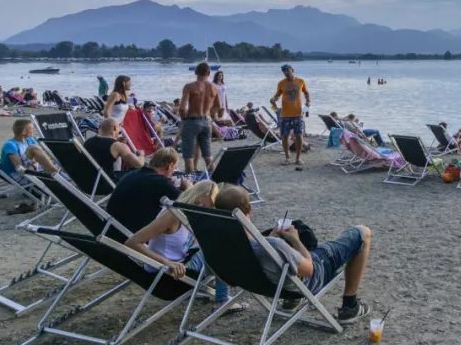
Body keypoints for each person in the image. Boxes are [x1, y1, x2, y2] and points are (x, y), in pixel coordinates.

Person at [214, 185, 372, 322]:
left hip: (268, 285)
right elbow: (310, 270)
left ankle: (291, 302)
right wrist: (295, 240)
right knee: (362, 232)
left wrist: (272, 238)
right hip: (306, 281)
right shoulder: (274, 245)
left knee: (300, 238)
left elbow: (231, 279)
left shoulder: (223, 246)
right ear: (249, 209)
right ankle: (350, 306)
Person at [124, 180, 241, 312]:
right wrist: (167, 262)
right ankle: (223, 300)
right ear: (196, 198)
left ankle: (220, 284)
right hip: (166, 275)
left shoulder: (189, 212)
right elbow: (132, 242)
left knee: (217, 243)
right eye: (204, 205)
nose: (205, 209)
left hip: (180, 265)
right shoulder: (172, 215)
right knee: (221, 248)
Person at [107, 148, 192, 233]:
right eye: (174, 168)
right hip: (128, 233)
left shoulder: (134, 173)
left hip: (111, 227)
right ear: (169, 166)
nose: (173, 172)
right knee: (176, 218)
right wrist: (188, 187)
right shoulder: (159, 182)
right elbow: (186, 203)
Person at [0, 118, 64, 214]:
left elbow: (41, 157)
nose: (34, 130)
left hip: (34, 168)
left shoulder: (29, 139)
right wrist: (34, 166)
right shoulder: (10, 145)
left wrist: (36, 164)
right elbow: (19, 168)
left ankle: (56, 173)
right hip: (20, 174)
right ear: (23, 132)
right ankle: (56, 173)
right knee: (34, 148)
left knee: (38, 149)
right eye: (31, 128)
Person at [179, 62, 217, 173]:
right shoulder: (214, 88)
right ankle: (215, 179)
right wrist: (213, 117)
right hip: (206, 121)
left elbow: (182, 108)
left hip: (192, 121)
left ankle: (190, 180)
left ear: (195, 72)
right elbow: (218, 108)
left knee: (188, 156)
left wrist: (184, 119)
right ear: (208, 73)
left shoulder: (189, 86)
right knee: (208, 155)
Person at [270, 64, 310, 166]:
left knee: (299, 135)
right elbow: (277, 95)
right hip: (285, 114)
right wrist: (273, 99)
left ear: (292, 70)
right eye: (284, 71)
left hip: (298, 113)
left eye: (287, 70)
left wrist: (308, 102)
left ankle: (298, 158)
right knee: (284, 136)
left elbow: (306, 92)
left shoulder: (301, 81)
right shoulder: (281, 83)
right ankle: (287, 158)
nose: (286, 72)